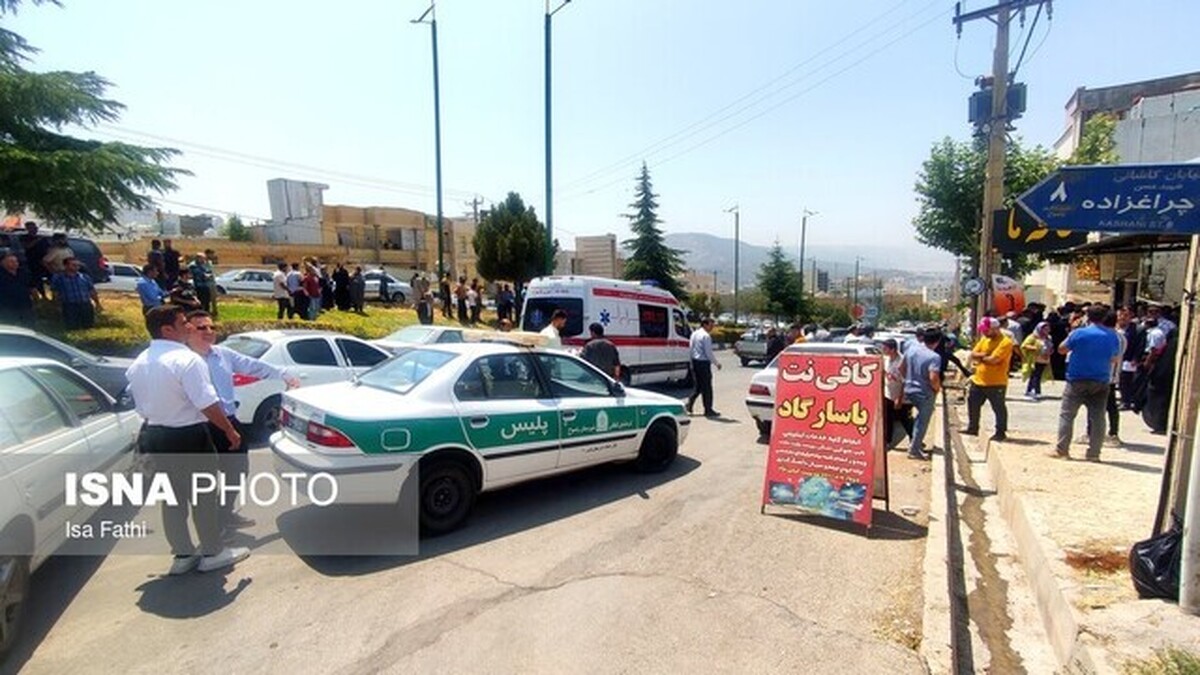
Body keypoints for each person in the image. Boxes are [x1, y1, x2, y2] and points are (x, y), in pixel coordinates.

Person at [125, 305, 249, 575]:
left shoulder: (139, 362)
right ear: (167, 330)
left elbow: (141, 406)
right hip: (188, 435)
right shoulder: (186, 360)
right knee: (203, 496)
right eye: (184, 323)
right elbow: (207, 403)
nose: (191, 327)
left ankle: (182, 555)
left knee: (172, 500)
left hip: (156, 436)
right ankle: (213, 552)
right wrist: (229, 430)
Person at [185, 310, 300, 532]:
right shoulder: (184, 360)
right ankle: (212, 528)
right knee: (204, 480)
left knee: (237, 471)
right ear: (188, 330)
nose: (209, 332)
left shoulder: (223, 355)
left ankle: (224, 514)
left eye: (212, 327)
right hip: (199, 425)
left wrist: (285, 375)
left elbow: (254, 366)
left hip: (228, 421)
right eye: (202, 328)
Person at [1054, 305, 1121, 461]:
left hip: (1077, 379)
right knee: (1098, 418)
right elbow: (1114, 358)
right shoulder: (1112, 336)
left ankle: (1062, 450)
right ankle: (1094, 454)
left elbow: (1061, 349)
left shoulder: (1079, 333)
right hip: (1101, 380)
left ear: (1088, 317)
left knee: (1067, 416)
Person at [961, 317, 1013, 442]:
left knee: (998, 407)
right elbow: (973, 354)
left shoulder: (1005, 342)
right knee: (972, 403)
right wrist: (984, 356)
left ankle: (1000, 432)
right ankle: (973, 427)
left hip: (996, 382)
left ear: (995, 329)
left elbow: (994, 360)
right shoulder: (985, 339)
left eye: (986, 330)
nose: (984, 333)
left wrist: (982, 357)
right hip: (979, 379)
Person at [898, 330, 941, 460]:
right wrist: (937, 389)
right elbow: (933, 377)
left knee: (916, 420)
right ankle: (914, 450)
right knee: (922, 422)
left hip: (909, 389)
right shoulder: (934, 357)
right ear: (937, 342)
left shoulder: (911, 350)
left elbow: (901, 368)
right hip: (924, 393)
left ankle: (915, 444)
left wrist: (909, 379)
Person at [49, 256, 101, 329]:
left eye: (78, 265)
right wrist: (56, 304)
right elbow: (55, 292)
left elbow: (92, 291)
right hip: (69, 305)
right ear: (66, 265)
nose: (77, 267)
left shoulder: (84, 277)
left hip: (85, 304)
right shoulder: (58, 278)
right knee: (72, 326)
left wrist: (97, 303)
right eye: (73, 265)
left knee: (88, 326)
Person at [880, 338, 913, 449]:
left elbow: (905, 381)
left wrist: (900, 398)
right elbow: (884, 373)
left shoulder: (902, 361)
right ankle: (888, 441)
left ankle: (914, 440)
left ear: (893, 349)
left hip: (901, 396)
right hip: (888, 394)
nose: (883, 350)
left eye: (885, 348)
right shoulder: (885, 360)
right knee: (888, 419)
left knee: (904, 419)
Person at [686, 317, 722, 418]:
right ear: (705, 324)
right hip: (703, 363)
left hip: (695, 362)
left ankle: (689, 405)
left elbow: (690, 348)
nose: (712, 327)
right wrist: (716, 363)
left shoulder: (694, 334)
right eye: (711, 325)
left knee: (698, 386)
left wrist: (691, 362)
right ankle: (708, 409)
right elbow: (708, 353)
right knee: (707, 388)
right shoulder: (706, 336)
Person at [0, 250, 36, 326]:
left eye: (16, 261)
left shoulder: (23, 273)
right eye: (11, 261)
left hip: (25, 305)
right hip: (7, 307)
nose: (15, 263)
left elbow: (31, 285)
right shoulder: (1, 275)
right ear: (3, 263)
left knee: (29, 325)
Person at [1020, 322, 1052, 401]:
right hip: (1035, 359)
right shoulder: (1033, 337)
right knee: (1035, 375)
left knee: (1037, 375)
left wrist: (1050, 351)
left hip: (1044, 359)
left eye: (1048, 328)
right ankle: (1036, 391)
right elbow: (1024, 345)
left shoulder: (1048, 338)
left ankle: (1030, 390)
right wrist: (1036, 349)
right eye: (1045, 328)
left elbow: (1050, 346)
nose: (1047, 330)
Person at [19, 221, 50, 298]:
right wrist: (37, 240)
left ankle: (46, 296)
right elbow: (26, 247)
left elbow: (48, 249)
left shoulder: (43, 238)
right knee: (34, 279)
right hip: (31, 263)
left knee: (45, 280)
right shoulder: (24, 237)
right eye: (32, 228)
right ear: (28, 229)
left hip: (44, 263)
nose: (34, 229)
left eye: (35, 227)